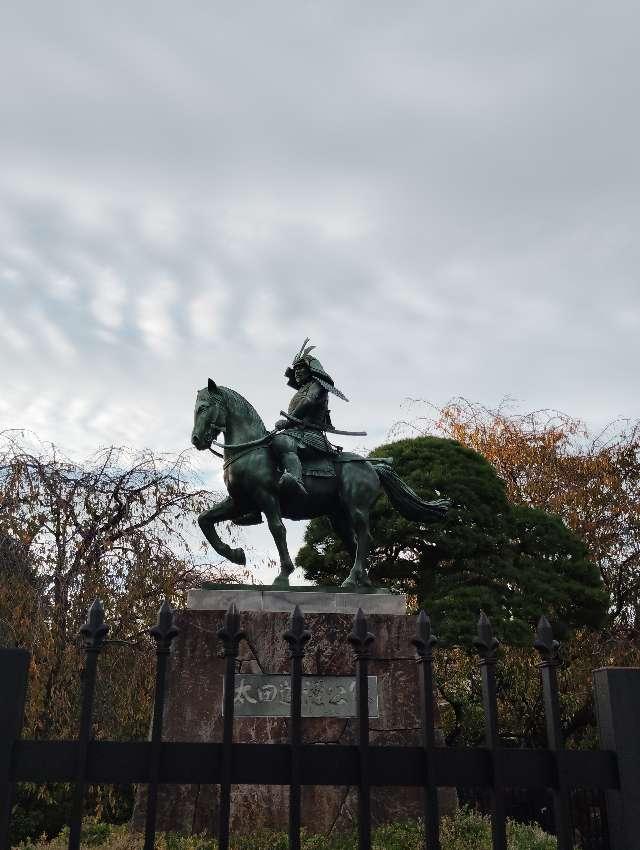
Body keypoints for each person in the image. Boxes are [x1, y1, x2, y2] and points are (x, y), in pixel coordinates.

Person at [271, 339, 348, 499]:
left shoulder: (318, 385)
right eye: (295, 369)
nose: (297, 372)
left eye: (301, 368)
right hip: (296, 433)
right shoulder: (301, 390)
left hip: (311, 436)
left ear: (312, 370)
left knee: (281, 442)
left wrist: (288, 421)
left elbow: (308, 402)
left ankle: (296, 480)